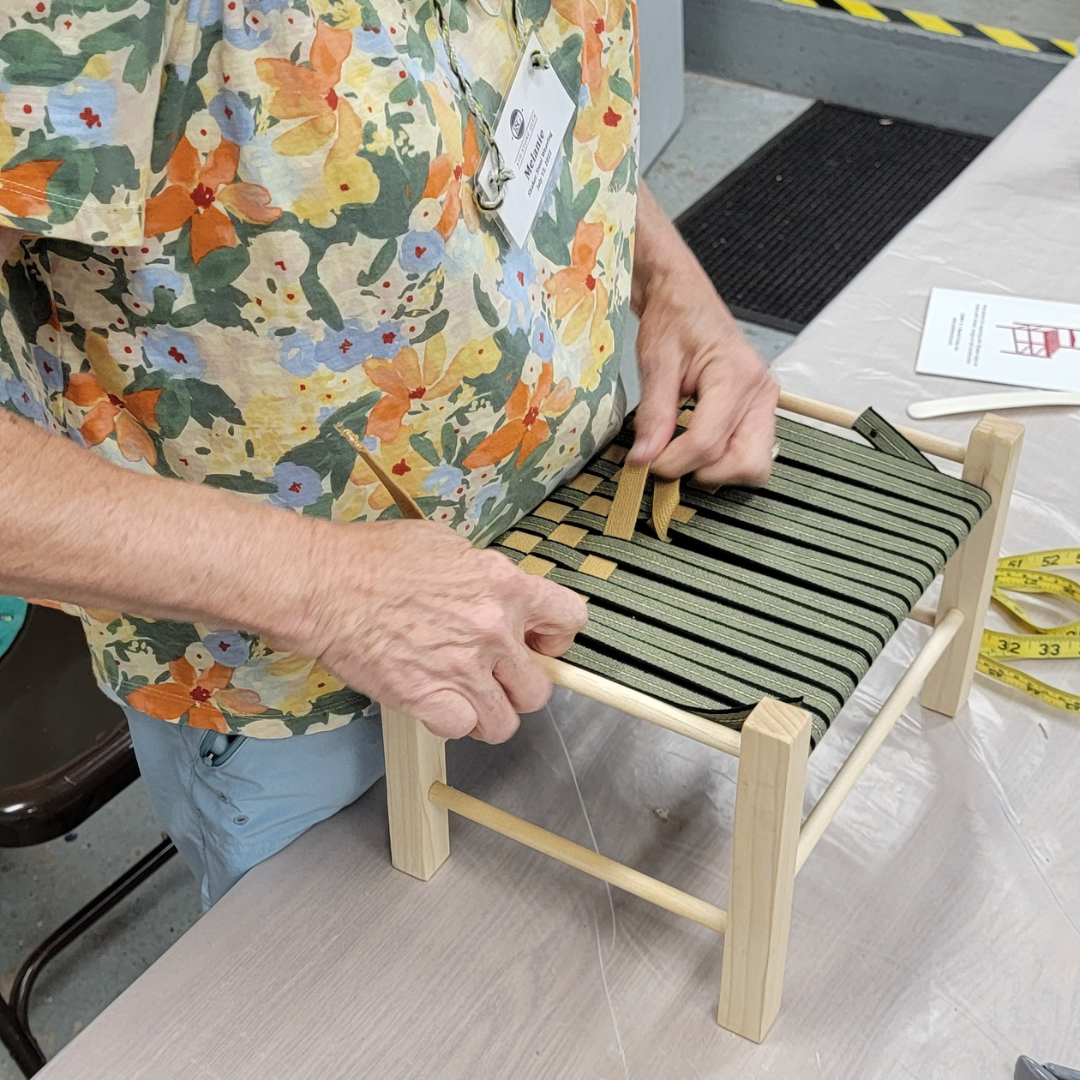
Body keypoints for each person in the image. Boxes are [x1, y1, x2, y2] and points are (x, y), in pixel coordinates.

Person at [0, 0, 777, 907]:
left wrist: (669, 276)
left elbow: (516, 84)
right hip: (306, 673)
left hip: (585, 552)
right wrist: (332, 589)